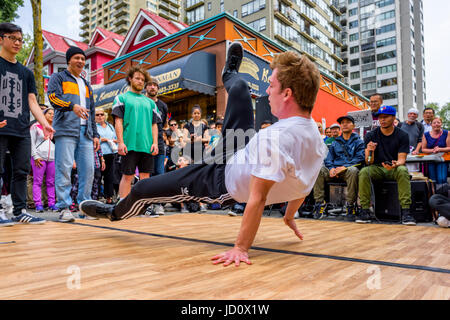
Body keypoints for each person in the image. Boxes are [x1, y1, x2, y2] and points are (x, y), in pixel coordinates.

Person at [80, 43, 327, 267]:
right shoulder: (316, 140)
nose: (267, 92)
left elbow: (258, 199)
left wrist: (241, 248)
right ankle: (229, 75)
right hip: (240, 148)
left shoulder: (276, 139)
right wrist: (289, 214)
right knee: (240, 87)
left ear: (287, 94)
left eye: (271, 86)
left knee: (144, 188)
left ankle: (112, 212)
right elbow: (304, 183)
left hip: (218, 178)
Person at [0, 22, 54, 227]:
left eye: (20, 39)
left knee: (21, 170)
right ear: (1, 39)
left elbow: (32, 101)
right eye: (12, 38)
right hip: (1, 126)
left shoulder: (27, 73)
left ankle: (20, 211)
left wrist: (44, 123)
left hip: (21, 128)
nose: (17, 42)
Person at [47, 45, 100, 223]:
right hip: (65, 130)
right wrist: (72, 106)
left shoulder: (86, 84)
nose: (80, 61)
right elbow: (53, 98)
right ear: (68, 60)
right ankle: (63, 207)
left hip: (86, 132)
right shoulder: (58, 77)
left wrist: (96, 135)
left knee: (88, 171)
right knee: (64, 168)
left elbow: (92, 111)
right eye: (76, 58)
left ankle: (84, 207)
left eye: (83, 59)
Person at [357, 105, 415, 226]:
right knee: (363, 172)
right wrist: (370, 151)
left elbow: (402, 159)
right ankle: (365, 210)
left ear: (393, 118)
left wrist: (395, 164)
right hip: (377, 167)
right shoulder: (371, 135)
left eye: (385, 117)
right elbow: (368, 161)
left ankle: (406, 212)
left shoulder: (402, 135)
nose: (382, 120)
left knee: (403, 171)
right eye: (380, 117)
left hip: (394, 167)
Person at [112, 66, 158, 203]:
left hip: (147, 145)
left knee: (145, 177)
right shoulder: (121, 98)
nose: (140, 81)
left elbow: (154, 124)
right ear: (130, 79)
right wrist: (120, 142)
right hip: (129, 144)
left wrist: (155, 143)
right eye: (137, 78)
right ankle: (122, 206)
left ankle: (145, 206)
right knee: (128, 176)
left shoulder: (151, 103)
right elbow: (118, 122)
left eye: (142, 80)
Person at [313, 115, 365, 221]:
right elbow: (328, 159)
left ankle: (350, 206)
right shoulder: (335, 142)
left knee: (353, 170)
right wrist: (331, 168)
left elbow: (360, 158)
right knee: (318, 170)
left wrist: (344, 167)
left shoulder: (359, 141)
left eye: (348, 122)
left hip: (348, 171)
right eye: (342, 123)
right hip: (334, 171)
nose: (344, 124)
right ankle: (320, 203)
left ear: (353, 125)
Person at [145, 76, 168, 215]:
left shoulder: (163, 106)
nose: (153, 87)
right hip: (144, 143)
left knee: (160, 174)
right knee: (146, 174)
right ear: (146, 87)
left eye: (155, 85)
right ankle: (147, 204)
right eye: (150, 85)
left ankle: (159, 203)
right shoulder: (142, 102)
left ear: (158, 88)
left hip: (159, 143)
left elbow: (163, 124)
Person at [30, 108, 57, 213]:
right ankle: (38, 204)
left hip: (52, 158)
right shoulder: (35, 126)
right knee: (37, 181)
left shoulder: (54, 128)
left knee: (51, 182)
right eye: (49, 113)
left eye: (54, 114)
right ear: (43, 115)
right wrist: (35, 156)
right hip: (39, 158)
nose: (52, 115)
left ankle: (52, 204)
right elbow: (31, 142)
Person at [95, 109, 118, 204]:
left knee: (110, 177)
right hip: (99, 154)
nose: (100, 116)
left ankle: (109, 198)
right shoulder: (94, 127)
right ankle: (96, 197)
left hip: (111, 153)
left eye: (102, 114)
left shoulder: (110, 126)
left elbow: (116, 138)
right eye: (97, 115)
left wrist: (114, 141)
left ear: (105, 116)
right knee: (98, 177)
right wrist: (101, 140)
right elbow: (93, 139)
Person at [421, 117, 450, 185]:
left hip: (442, 159)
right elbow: (423, 149)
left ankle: (443, 194)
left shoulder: (447, 133)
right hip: (430, 159)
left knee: (442, 178)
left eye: (438, 122)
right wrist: (433, 150)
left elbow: (449, 147)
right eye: (434, 123)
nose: (436, 124)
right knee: (432, 179)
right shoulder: (426, 135)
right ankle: (434, 194)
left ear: (441, 124)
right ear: (431, 124)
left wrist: (440, 149)